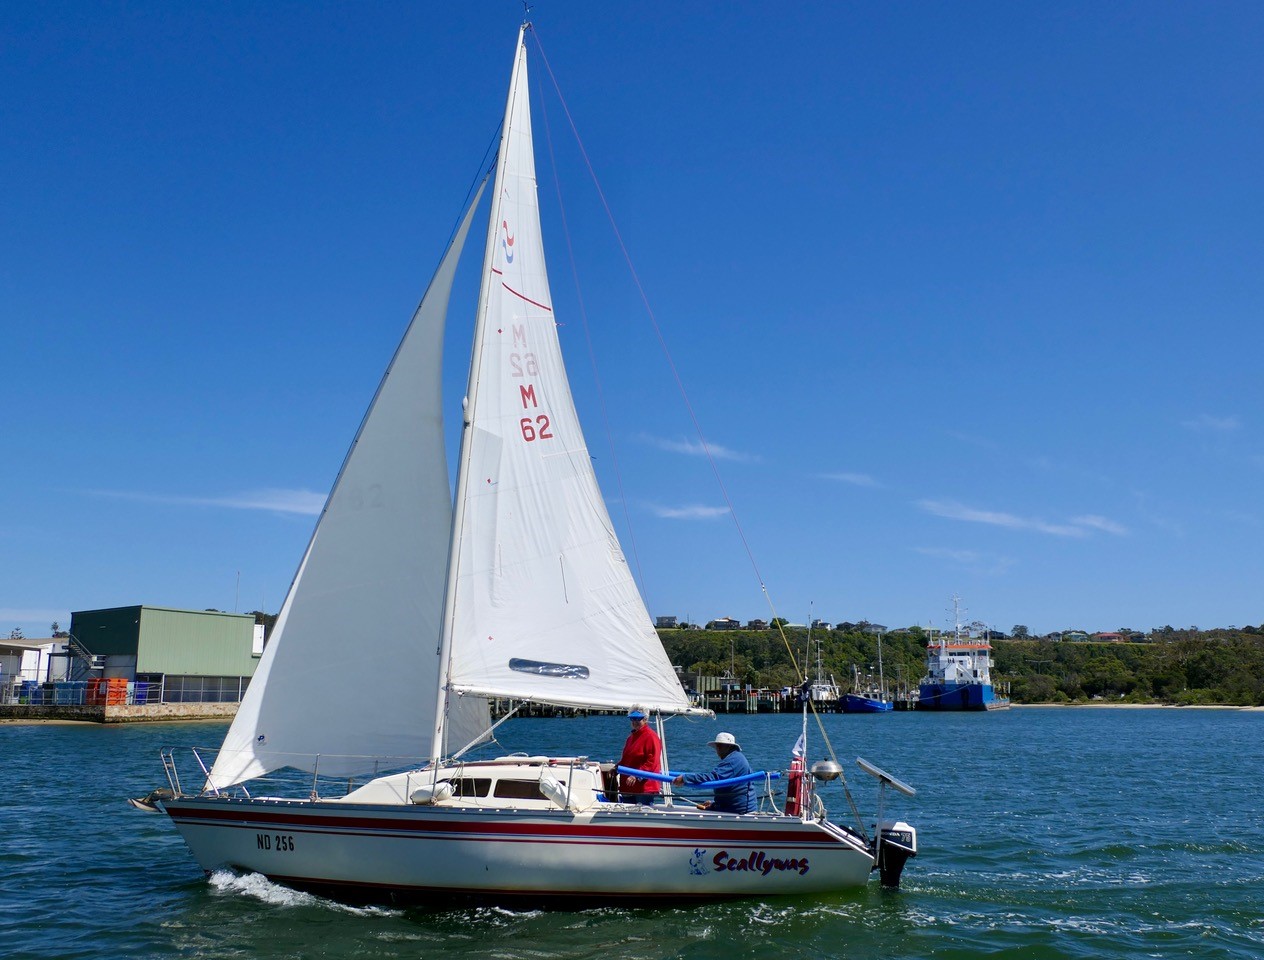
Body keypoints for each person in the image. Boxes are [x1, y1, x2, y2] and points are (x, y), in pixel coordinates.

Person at [672, 732, 756, 814]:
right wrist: (714, 804)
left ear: (729, 746)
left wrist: (685, 778)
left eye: (720, 746)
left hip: (736, 809)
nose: (717, 749)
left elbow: (713, 778)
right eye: (716, 746)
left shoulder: (732, 761)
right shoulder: (737, 757)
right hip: (740, 807)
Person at [617, 706, 663, 804]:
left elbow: (652, 761)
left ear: (645, 719)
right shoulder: (631, 738)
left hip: (644, 788)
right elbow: (626, 759)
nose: (635, 721)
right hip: (628, 787)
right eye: (632, 718)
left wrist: (636, 775)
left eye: (638, 719)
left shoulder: (651, 736)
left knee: (643, 815)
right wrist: (616, 768)